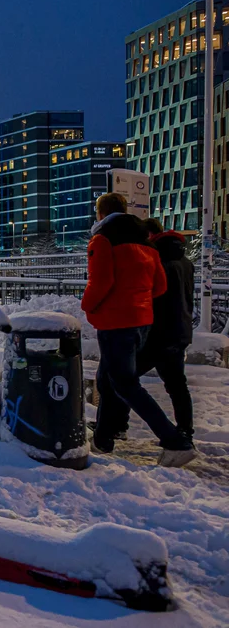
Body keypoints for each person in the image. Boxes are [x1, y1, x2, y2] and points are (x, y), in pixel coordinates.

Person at [83, 193, 195, 468]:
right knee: (108, 380)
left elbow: (101, 282)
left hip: (115, 322)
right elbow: (159, 287)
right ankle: (103, 438)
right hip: (141, 321)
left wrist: (87, 306)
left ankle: (175, 441)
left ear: (100, 214)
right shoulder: (147, 245)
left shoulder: (102, 240)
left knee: (125, 384)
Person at [98, 218, 195, 441]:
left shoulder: (155, 259)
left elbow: (155, 294)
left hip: (156, 333)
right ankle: (185, 430)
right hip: (180, 330)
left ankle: (115, 428)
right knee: (177, 385)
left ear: (151, 236)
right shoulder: (185, 261)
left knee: (120, 382)